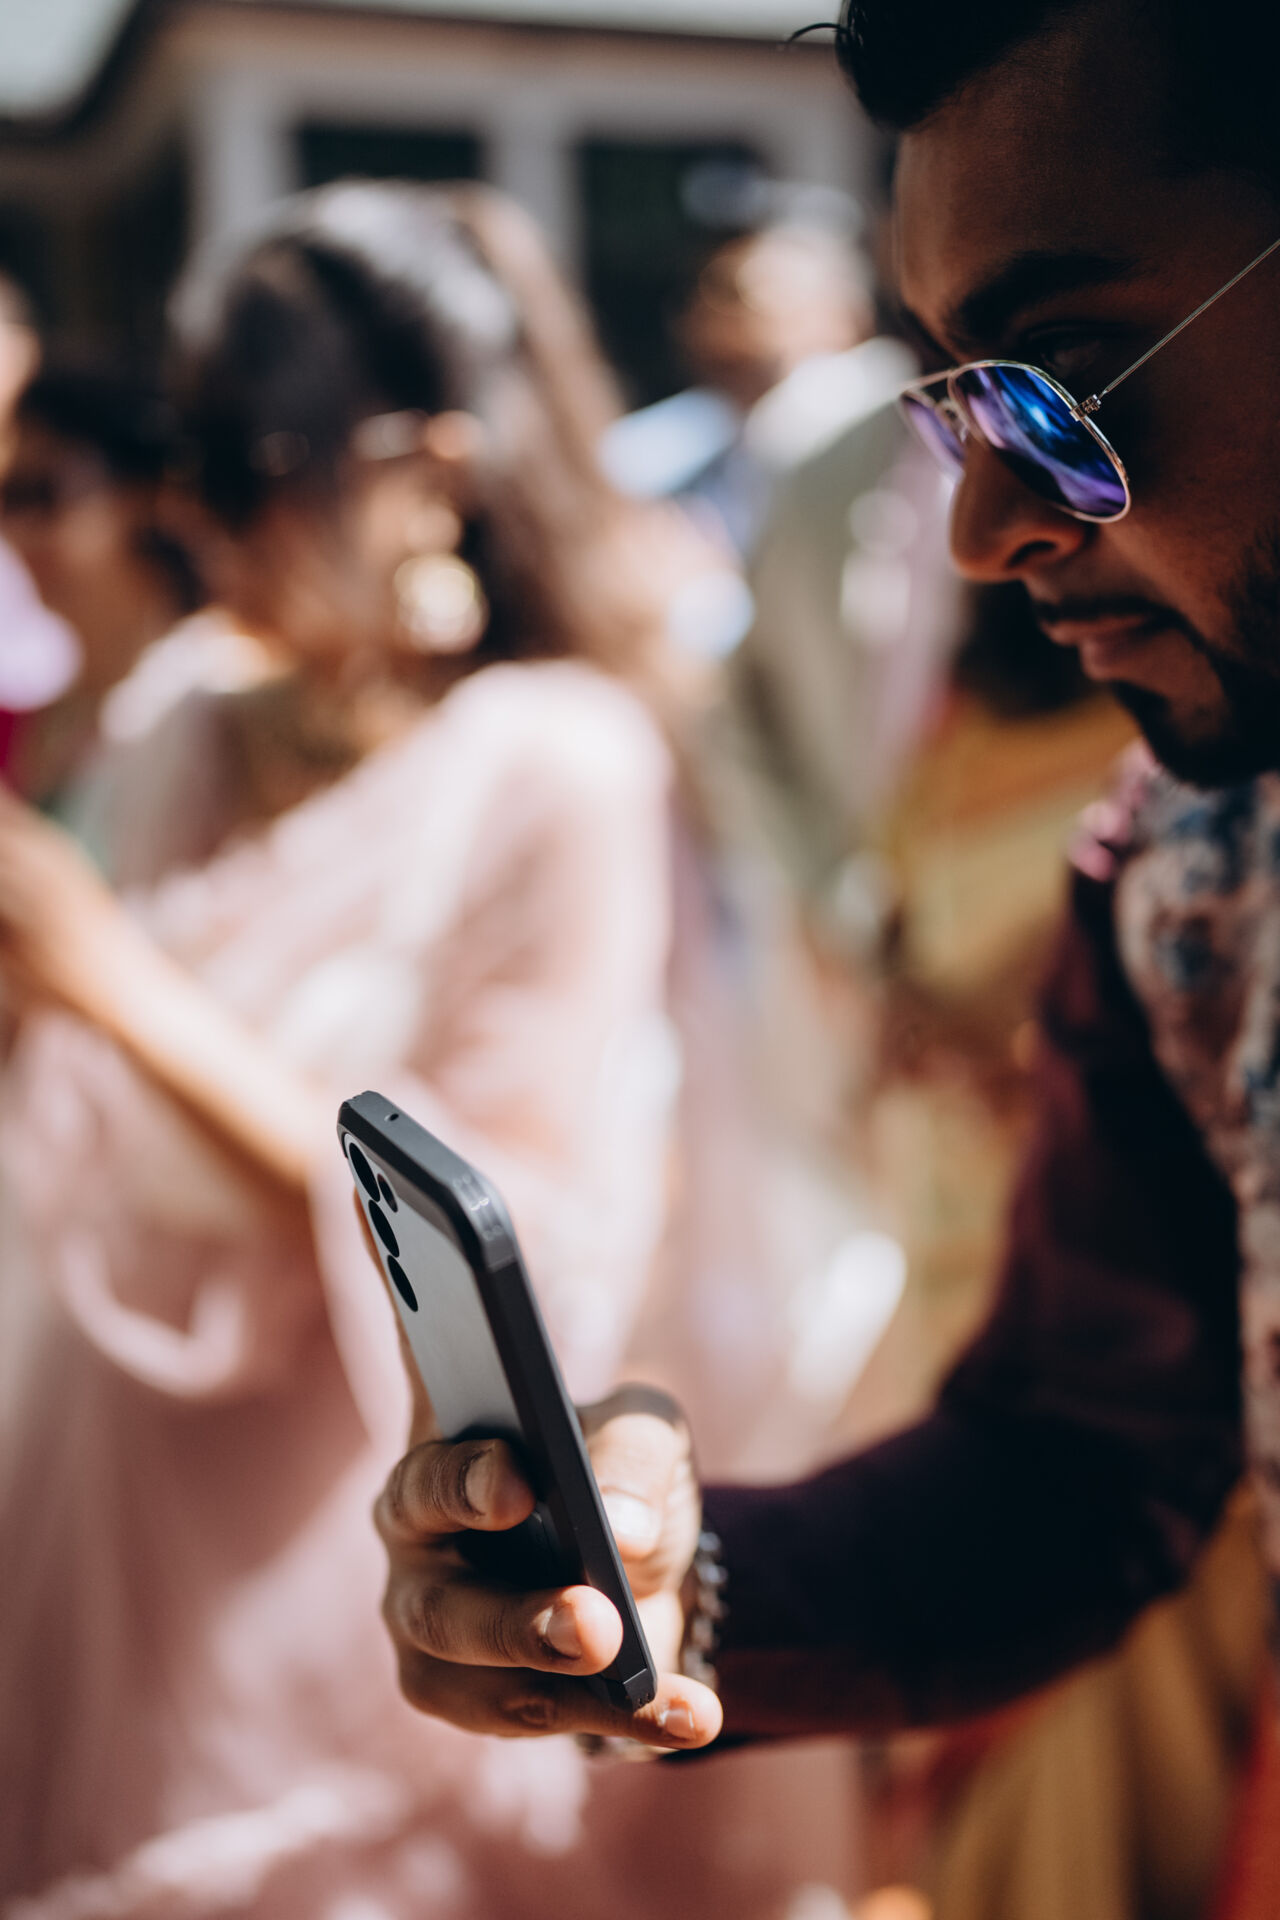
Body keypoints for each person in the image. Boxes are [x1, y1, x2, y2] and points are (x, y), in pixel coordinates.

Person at [369, 2, 1280, 1903]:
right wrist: (673, 1576)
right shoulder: (1186, 880)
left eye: (1072, 383)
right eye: (961, 405)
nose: (985, 529)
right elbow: (1087, 1453)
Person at [0, 181, 858, 1918]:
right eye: (187, 461)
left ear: (425, 470)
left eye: (249, 463)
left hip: (346, 1544)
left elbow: (511, 1218)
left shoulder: (558, 763)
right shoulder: (183, 718)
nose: (195, 516)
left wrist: (101, 978)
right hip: (102, 1492)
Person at [0, 362, 218, 811]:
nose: (18, 534)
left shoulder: (216, 690)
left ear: (144, 495)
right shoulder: (57, 722)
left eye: (42, 495)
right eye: (8, 501)